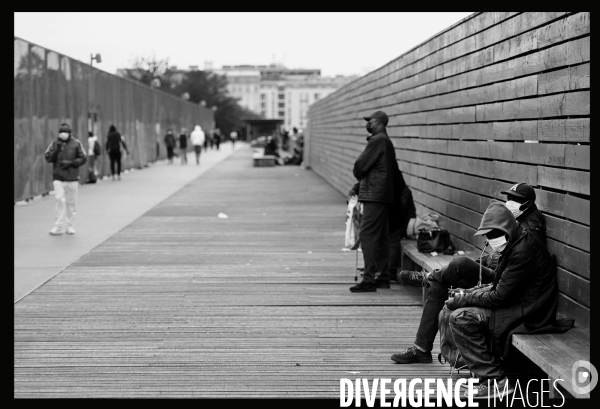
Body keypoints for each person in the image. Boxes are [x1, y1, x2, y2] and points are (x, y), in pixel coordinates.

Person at [392, 183, 547, 364]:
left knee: (461, 264)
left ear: (527, 204)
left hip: (505, 282)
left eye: (515, 200)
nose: (510, 202)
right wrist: (484, 262)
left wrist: (468, 292)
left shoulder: (531, 231)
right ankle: (421, 349)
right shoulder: (515, 220)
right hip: (499, 273)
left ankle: (427, 276)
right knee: (438, 285)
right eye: (509, 198)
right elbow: (497, 255)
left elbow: (510, 270)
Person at [443, 202, 571, 398]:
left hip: (528, 311)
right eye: (487, 235)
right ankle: (481, 372)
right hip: (518, 301)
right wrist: (467, 294)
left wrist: (465, 299)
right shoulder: (515, 242)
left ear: (507, 229)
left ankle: (496, 381)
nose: (490, 239)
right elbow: (500, 286)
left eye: (493, 234)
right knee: (451, 309)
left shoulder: (523, 250)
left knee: (462, 317)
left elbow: (499, 296)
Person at [348, 111, 398, 292]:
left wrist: (359, 179)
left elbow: (360, 166)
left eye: (370, 121)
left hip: (374, 196)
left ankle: (369, 280)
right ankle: (382, 278)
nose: (367, 123)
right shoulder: (385, 141)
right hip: (382, 195)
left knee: (367, 236)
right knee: (382, 238)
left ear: (379, 122)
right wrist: (358, 186)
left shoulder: (378, 140)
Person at [44, 123, 87, 235]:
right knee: (59, 200)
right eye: (61, 131)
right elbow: (48, 157)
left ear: (69, 133)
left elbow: (83, 158)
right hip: (58, 177)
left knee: (71, 202)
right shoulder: (54, 144)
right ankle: (58, 226)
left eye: (65, 131)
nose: (63, 134)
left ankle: (69, 226)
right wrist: (56, 151)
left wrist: (70, 163)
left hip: (72, 178)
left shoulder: (77, 143)